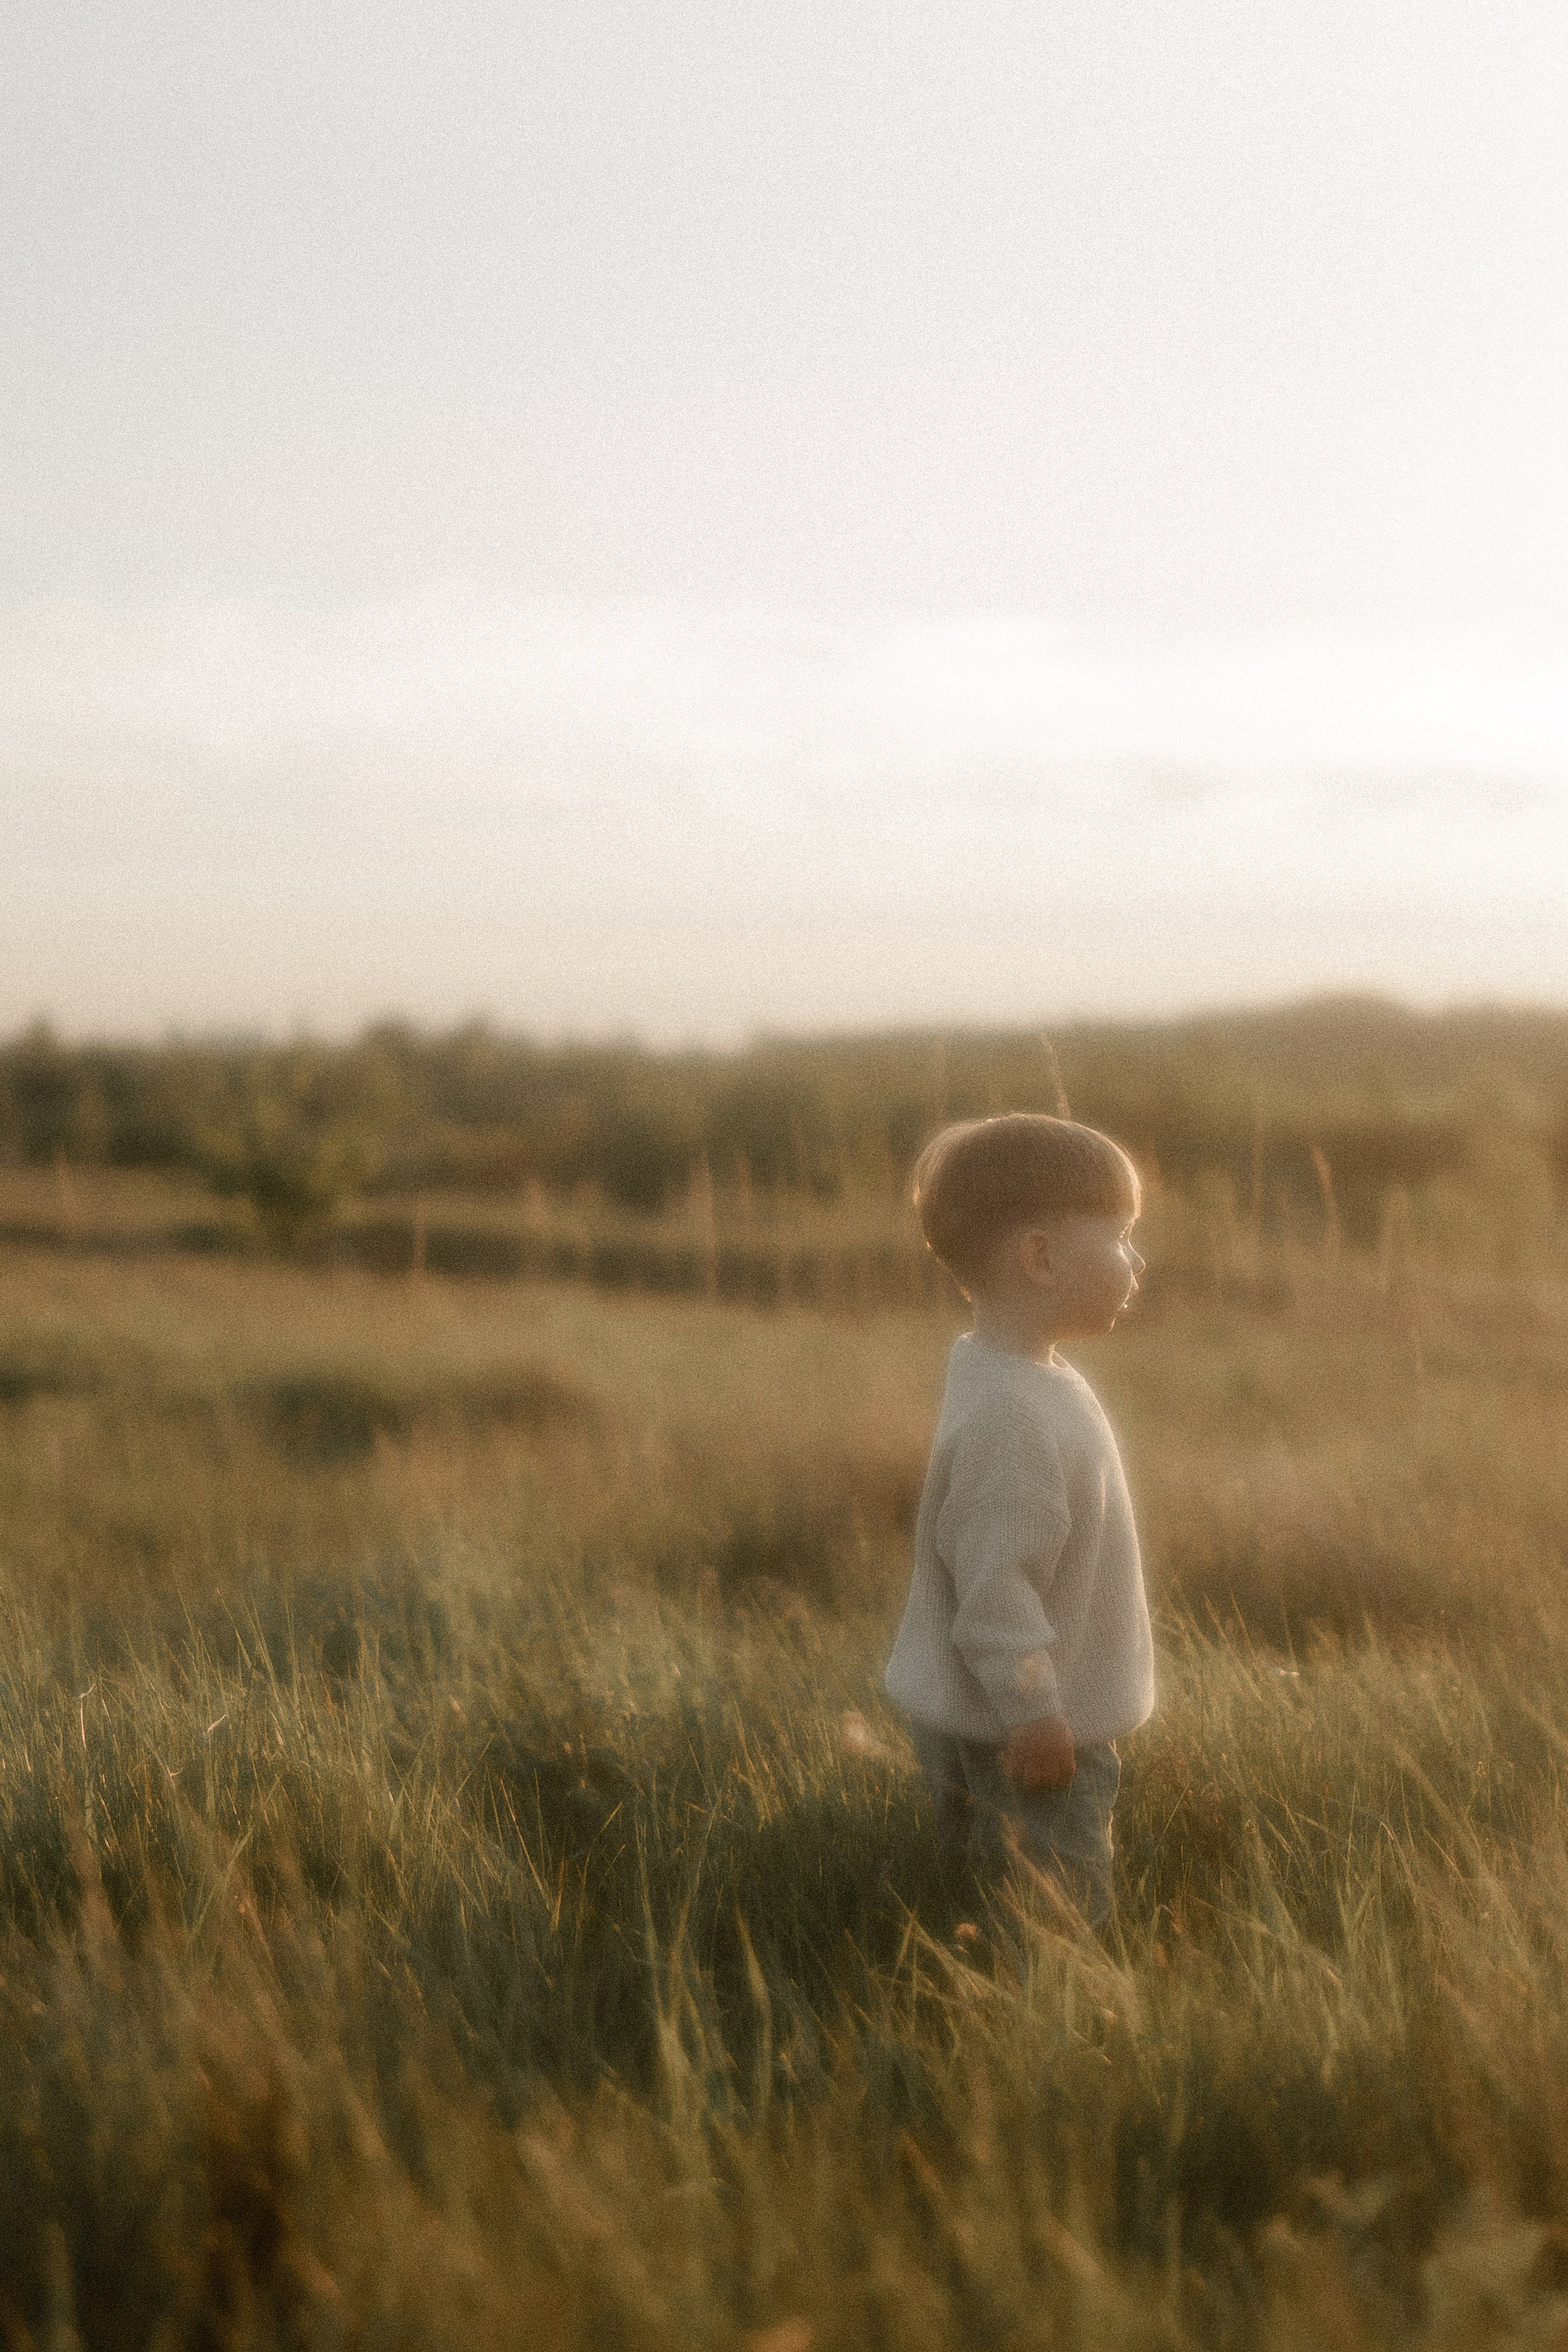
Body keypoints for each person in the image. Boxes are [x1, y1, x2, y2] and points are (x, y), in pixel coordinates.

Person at [885, 1113, 1154, 1929]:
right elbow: (996, 1586)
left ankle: (975, 1986)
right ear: (1040, 1258)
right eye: (1119, 1237)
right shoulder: (1014, 1415)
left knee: (982, 1888)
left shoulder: (1016, 1374)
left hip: (981, 1714)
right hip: (1023, 1727)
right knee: (1057, 1914)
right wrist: (1035, 1711)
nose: (1136, 1260)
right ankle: (1054, 2026)